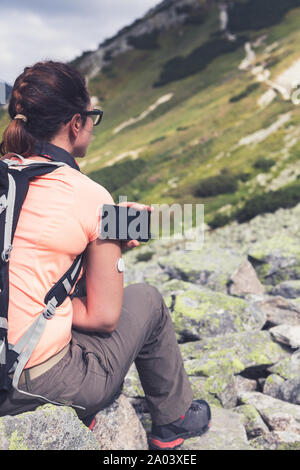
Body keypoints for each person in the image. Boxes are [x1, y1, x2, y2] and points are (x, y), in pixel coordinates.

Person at [0, 61, 211, 450]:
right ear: (76, 123)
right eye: (92, 117)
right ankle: (173, 423)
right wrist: (107, 245)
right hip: (29, 383)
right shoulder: (90, 196)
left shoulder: (6, 174)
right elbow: (103, 317)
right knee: (146, 299)